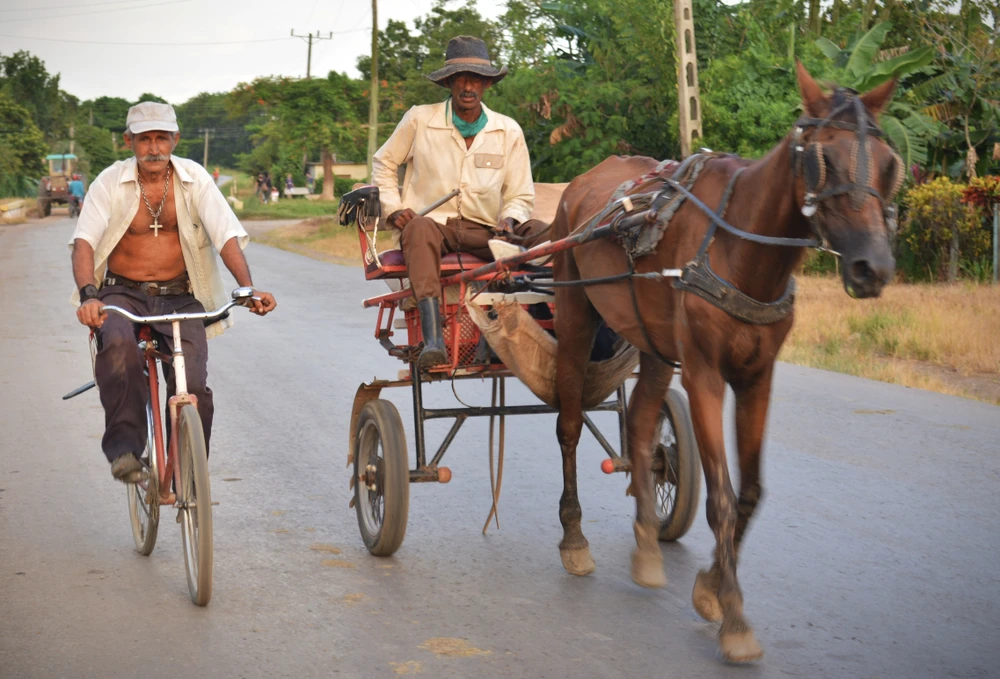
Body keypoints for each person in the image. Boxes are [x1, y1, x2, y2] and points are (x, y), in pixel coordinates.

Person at [69, 101, 277, 482]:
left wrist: (245, 287)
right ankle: (127, 451)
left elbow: (225, 234)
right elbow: (83, 241)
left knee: (193, 383)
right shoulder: (110, 182)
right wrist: (88, 296)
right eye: (144, 139)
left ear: (175, 139)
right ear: (128, 141)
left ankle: (187, 469)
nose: (153, 148)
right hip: (121, 293)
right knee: (117, 348)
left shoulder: (195, 179)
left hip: (180, 295)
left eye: (161, 138)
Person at [371, 35, 548, 370]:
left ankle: (542, 320)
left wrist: (510, 219)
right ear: (450, 82)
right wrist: (394, 209)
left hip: (486, 231)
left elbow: (520, 194)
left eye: (477, 79)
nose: (469, 87)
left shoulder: (507, 131)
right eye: (462, 79)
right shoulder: (420, 120)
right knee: (418, 227)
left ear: (487, 85)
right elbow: (384, 162)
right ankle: (433, 339)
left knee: (540, 232)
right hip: (434, 228)